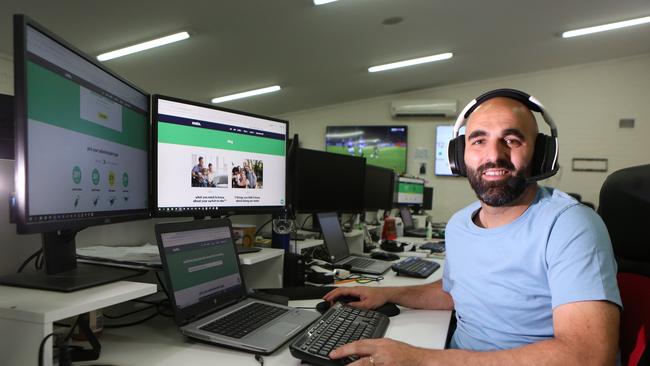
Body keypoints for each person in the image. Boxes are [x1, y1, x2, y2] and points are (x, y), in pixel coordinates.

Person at [324, 90, 621, 366]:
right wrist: (389, 294)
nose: (494, 155)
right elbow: (456, 293)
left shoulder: (571, 225)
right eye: (478, 140)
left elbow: (590, 355)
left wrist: (423, 359)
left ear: (541, 154)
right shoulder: (459, 224)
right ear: (459, 156)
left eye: (512, 140)